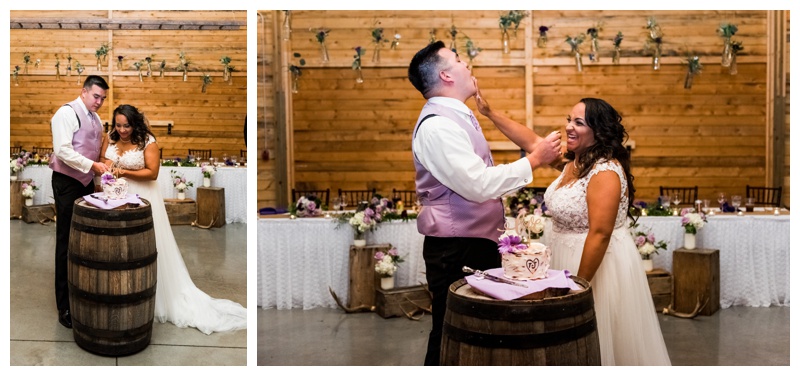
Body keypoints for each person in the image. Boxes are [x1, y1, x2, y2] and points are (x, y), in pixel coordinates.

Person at [408, 41, 562, 366]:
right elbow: (477, 185)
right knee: (452, 331)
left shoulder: (456, 118)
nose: (468, 64)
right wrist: (535, 160)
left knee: (475, 331)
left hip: (471, 242)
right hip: (456, 247)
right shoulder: (438, 126)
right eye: (460, 59)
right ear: (446, 75)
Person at [541, 98, 670, 365]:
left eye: (579, 122)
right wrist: (489, 113)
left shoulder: (605, 172)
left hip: (595, 266)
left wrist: (578, 286)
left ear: (598, 132)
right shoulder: (572, 165)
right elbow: (533, 144)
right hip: (561, 258)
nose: (569, 127)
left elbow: (600, 233)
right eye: (568, 119)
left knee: (600, 338)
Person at [99, 104, 247, 335]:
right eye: (118, 125)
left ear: (134, 123)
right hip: (114, 195)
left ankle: (154, 294)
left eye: (126, 125)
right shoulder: (110, 137)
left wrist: (123, 172)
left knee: (145, 245)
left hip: (142, 195)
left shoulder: (148, 140)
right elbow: (102, 158)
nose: (122, 130)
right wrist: (108, 169)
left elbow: (153, 172)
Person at [49, 75, 110, 329]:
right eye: (96, 96)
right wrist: (92, 166)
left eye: (103, 99)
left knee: (82, 238)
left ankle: (80, 291)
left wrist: (96, 172)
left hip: (85, 181)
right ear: (84, 92)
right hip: (66, 181)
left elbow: (92, 147)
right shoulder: (65, 113)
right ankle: (64, 305)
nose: (99, 102)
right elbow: (62, 150)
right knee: (66, 240)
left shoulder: (95, 118)